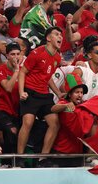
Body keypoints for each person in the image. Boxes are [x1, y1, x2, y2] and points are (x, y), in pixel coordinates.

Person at [17, 27, 63, 167]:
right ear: (49, 38)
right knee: (28, 123)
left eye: (61, 35)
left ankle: (43, 158)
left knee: (55, 123)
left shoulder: (57, 57)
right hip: (30, 92)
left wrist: (58, 93)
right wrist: (21, 92)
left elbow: (47, 77)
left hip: (44, 94)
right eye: (56, 34)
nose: (60, 37)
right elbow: (22, 72)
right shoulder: (37, 53)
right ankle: (19, 158)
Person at [0, 42, 21, 155]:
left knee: (16, 135)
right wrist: (16, 71)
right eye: (12, 54)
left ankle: (12, 164)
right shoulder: (0, 69)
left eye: (18, 54)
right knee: (12, 131)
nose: (16, 57)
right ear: (7, 56)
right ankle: (7, 163)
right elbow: (8, 87)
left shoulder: (24, 71)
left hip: (14, 112)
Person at [51, 73, 89, 167]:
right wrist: (65, 106)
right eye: (77, 92)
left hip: (78, 153)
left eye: (81, 92)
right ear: (70, 94)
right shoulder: (64, 103)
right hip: (61, 152)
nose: (80, 95)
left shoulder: (84, 105)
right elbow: (53, 108)